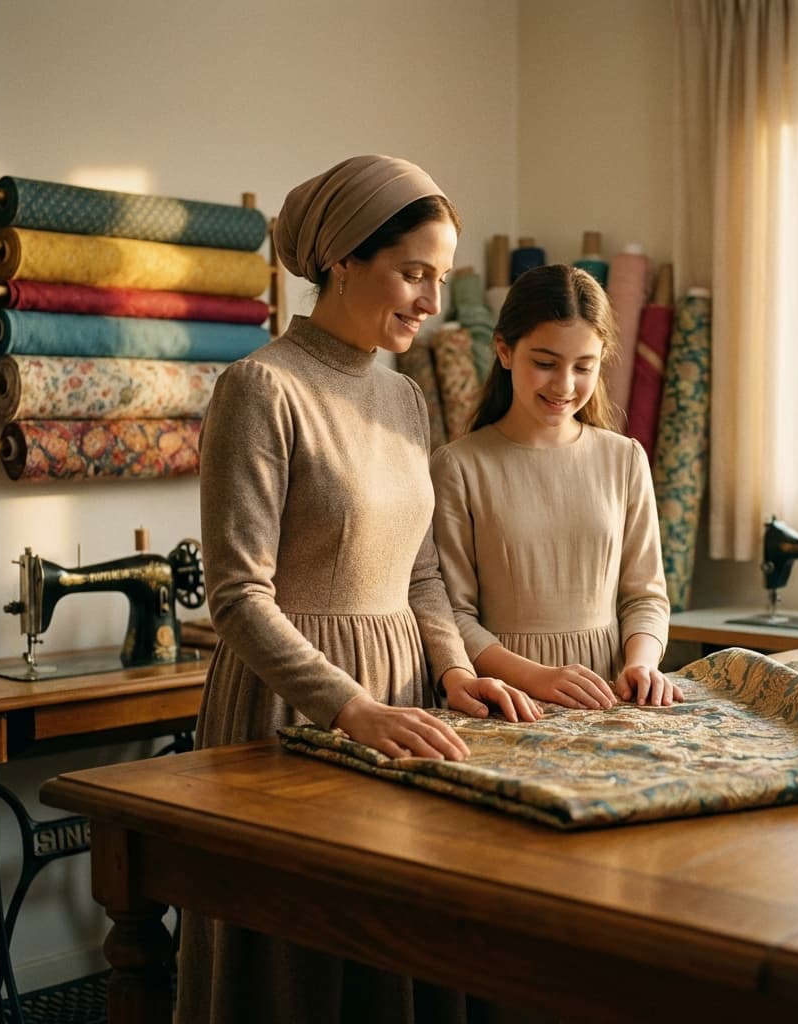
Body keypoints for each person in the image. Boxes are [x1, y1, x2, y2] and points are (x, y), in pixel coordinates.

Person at [176, 155, 540, 1024]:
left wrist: (453, 673)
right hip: (293, 709)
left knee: (395, 949)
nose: (431, 300)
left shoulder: (405, 398)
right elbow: (237, 596)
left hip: (403, 699)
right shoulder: (261, 388)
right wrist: (351, 709)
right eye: (414, 273)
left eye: (440, 278)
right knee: (298, 968)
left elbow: (420, 571)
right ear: (344, 258)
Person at [430, 264, 683, 710]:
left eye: (583, 366)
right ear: (504, 351)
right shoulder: (458, 466)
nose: (564, 385)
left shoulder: (624, 459)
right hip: (510, 702)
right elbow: (453, 615)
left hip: (609, 700)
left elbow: (644, 596)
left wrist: (641, 664)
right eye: (545, 364)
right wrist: (537, 678)